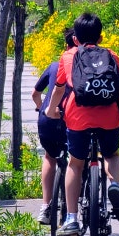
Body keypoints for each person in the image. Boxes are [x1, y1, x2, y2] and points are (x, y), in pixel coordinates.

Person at [45, 12, 119, 234]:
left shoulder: (68, 57)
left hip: (77, 118)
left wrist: (52, 110)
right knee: (111, 155)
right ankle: (115, 185)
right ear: (100, 37)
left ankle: (71, 219)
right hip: (109, 117)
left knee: (75, 164)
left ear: (76, 39)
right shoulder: (112, 55)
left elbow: (59, 89)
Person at [31, 31, 76, 225]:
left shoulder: (54, 66)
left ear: (66, 47)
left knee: (50, 156)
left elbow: (35, 93)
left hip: (48, 119)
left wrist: (42, 109)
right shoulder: (89, 66)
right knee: (77, 159)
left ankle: (46, 206)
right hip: (74, 118)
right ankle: (77, 204)